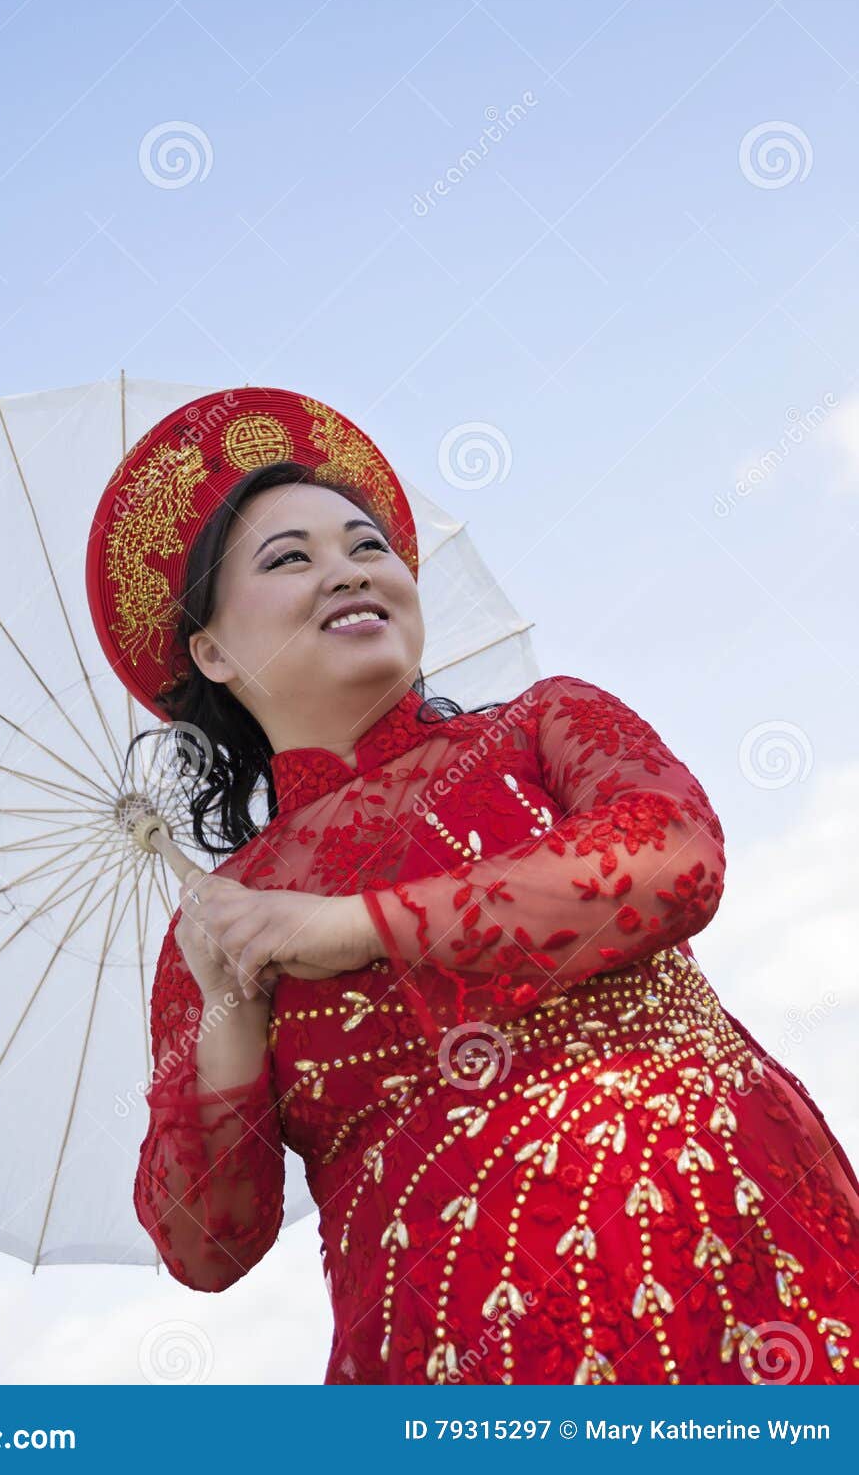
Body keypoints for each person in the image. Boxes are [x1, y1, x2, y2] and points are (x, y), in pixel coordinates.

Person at [86, 386, 859, 1386]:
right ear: (212, 651)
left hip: (747, 1268)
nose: (348, 571)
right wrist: (230, 1005)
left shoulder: (540, 726)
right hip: (450, 1357)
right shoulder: (222, 926)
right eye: (291, 559)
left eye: (366, 546)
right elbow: (206, 1247)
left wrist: (354, 925)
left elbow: (671, 859)